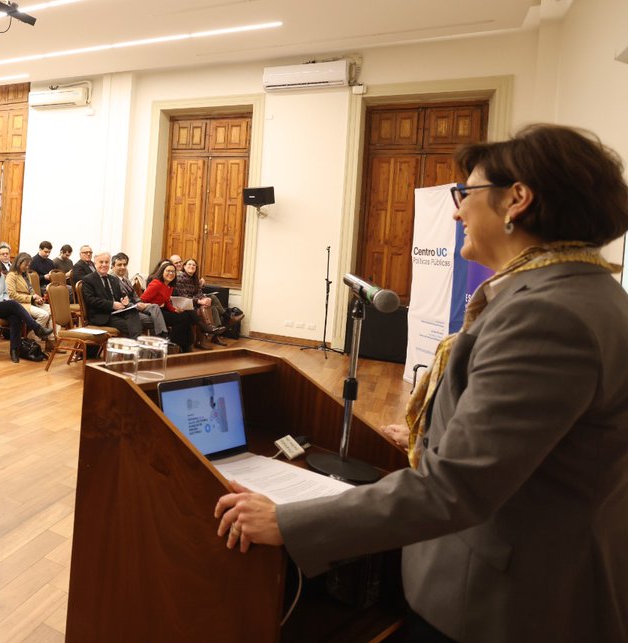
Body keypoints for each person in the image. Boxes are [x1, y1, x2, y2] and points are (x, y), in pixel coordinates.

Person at [214, 124, 628, 642]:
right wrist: (430, 433)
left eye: (466, 194)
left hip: (503, 604)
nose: (456, 212)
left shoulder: (544, 316)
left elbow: (456, 489)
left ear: (516, 200)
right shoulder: (586, 294)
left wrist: (289, 522)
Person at [0, 248, 51, 363]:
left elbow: (5, 293)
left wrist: (5, 301)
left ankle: (14, 350)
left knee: (15, 316)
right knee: (13, 304)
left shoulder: (1, 276)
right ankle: (37, 328)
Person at [81, 251, 144, 340]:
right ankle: (134, 346)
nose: (104, 264)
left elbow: (119, 296)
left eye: (106, 262)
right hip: (101, 315)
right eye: (101, 262)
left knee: (133, 312)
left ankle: (134, 346)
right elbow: (90, 300)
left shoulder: (113, 279)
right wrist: (112, 304)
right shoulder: (88, 279)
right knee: (129, 326)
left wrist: (123, 300)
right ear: (95, 263)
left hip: (116, 312)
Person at [138, 260, 194, 351]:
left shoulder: (169, 285)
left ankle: (184, 346)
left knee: (187, 316)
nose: (170, 273)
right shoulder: (156, 284)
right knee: (183, 319)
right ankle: (175, 342)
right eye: (168, 271)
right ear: (162, 272)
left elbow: (167, 301)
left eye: (173, 271)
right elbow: (142, 300)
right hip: (153, 312)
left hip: (162, 310)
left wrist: (174, 310)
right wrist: (151, 306)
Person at [111, 252, 167, 337]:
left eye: (124, 265)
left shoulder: (126, 280)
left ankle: (162, 337)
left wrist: (141, 303)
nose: (123, 267)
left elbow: (135, 296)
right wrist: (135, 305)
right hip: (127, 310)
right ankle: (161, 338)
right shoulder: (112, 280)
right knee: (154, 320)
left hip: (136, 306)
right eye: (119, 265)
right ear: (113, 266)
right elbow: (120, 300)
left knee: (155, 307)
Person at [175, 258, 228, 343]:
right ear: (184, 266)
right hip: (184, 304)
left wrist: (204, 298)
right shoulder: (180, 278)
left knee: (212, 307)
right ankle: (209, 330)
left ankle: (214, 332)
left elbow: (198, 292)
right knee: (203, 308)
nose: (191, 266)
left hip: (193, 303)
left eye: (194, 265)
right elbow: (184, 297)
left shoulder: (195, 279)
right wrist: (199, 301)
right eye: (189, 264)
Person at [8, 252, 52, 334]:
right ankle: (32, 338)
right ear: (18, 263)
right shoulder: (11, 275)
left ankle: (51, 339)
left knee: (53, 311)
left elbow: (31, 291)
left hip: (30, 302)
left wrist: (37, 299)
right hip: (20, 304)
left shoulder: (26, 274)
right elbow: (11, 295)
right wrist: (31, 298)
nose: (27, 267)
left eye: (28, 265)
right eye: (25, 265)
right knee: (44, 315)